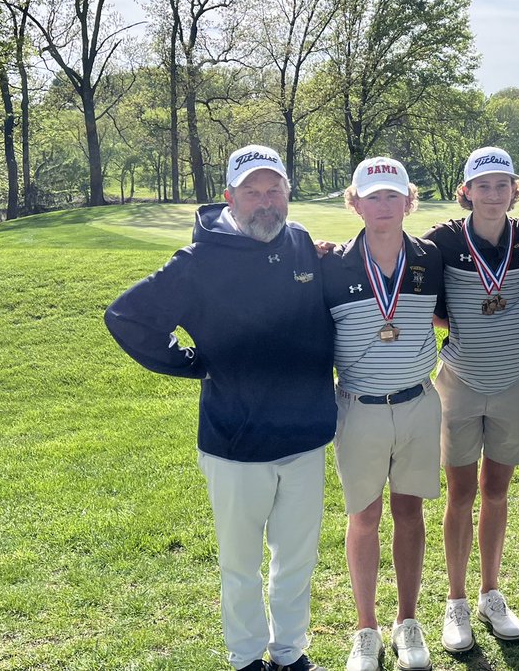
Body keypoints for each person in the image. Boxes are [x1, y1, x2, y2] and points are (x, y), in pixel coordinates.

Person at [104, 145, 334, 671]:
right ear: (229, 196)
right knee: (241, 565)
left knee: (296, 560)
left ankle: (290, 652)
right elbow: (127, 316)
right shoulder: (197, 261)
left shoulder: (300, 243)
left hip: (306, 435)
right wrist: (192, 363)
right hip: (236, 441)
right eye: (251, 191)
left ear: (288, 194)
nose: (264, 201)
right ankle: (248, 658)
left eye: (274, 189)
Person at [321, 157, 444, 671]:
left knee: (409, 513)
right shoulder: (330, 263)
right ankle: (365, 628)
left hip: (418, 402)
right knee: (364, 516)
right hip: (358, 407)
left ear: (409, 201)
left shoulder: (430, 257)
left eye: (393, 196)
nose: (384, 206)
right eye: (373, 197)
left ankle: (408, 621)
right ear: (354, 202)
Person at [421, 147, 519, 653]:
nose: (493, 195)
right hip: (461, 382)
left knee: (496, 492)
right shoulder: (442, 241)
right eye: (482, 185)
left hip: (514, 382)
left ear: (514, 189)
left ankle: (491, 592)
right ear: (465, 191)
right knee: (461, 495)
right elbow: (414, 287)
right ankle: (456, 602)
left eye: (502, 185)